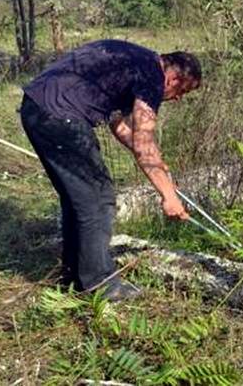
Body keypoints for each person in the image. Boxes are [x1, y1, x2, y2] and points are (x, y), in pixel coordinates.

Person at [20, 39, 202, 301]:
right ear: (173, 79)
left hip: (37, 107)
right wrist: (168, 196)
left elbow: (119, 126)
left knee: (79, 200)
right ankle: (101, 285)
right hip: (59, 117)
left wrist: (159, 168)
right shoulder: (152, 76)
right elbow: (144, 142)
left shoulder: (134, 62)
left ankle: (74, 276)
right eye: (182, 92)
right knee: (99, 198)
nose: (177, 99)